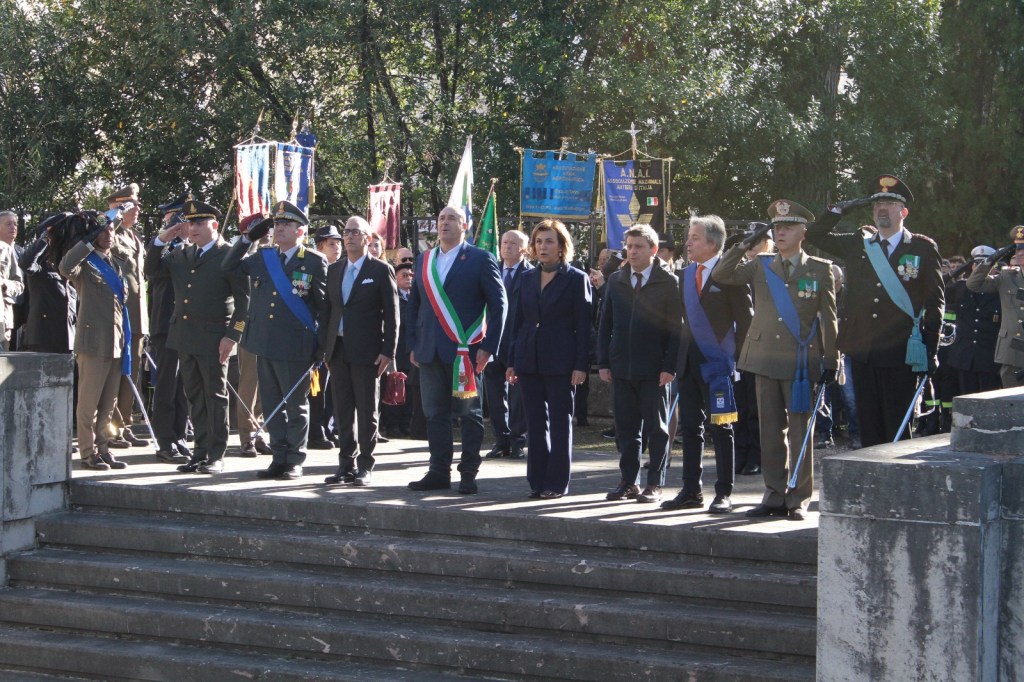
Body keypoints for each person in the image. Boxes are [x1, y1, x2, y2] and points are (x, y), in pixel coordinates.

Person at [714, 200, 839, 520]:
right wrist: (743, 244)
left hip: (800, 362)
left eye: (788, 227)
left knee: (800, 432)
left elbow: (829, 318)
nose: (781, 232)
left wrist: (830, 360)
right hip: (764, 357)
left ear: (803, 233)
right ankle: (772, 493)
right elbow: (722, 274)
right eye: (777, 228)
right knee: (769, 432)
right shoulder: (760, 264)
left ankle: (799, 496)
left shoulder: (820, 269)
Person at [805, 175, 944, 446]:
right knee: (868, 426)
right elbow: (816, 235)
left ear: (903, 212)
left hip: (901, 350)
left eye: (890, 203)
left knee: (898, 427)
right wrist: (837, 210)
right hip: (863, 348)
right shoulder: (859, 243)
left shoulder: (921, 248)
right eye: (877, 203)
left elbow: (935, 302)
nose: (882, 208)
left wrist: (931, 349)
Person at [222, 200, 328, 480]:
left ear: (300, 231)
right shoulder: (264, 257)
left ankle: (295, 459)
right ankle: (279, 457)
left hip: (296, 345)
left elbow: (324, 308)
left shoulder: (314, 262)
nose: (279, 228)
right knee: (271, 405)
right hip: (263, 343)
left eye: (286, 224)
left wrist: (322, 348)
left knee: (295, 406)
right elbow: (229, 265)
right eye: (277, 224)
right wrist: (246, 239)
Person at [406, 205, 506, 495]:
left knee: (469, 413)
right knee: (434, 414)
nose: (445, 223)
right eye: (441, 219)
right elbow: (415, 306)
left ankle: (468, 473)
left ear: (465, 226)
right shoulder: (424, 259)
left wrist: (489, 347)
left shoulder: (480, 258)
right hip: (429, 351)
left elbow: (500, 306)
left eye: (452, 218)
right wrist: (414, 342)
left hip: (466, 352)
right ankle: (438, 471)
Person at [147, 200, 249, 474]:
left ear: (214, 225)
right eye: (190, 223)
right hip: (185, 335)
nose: (193, 228)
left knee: (215, 396)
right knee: (194, 395)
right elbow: (152, 270)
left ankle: (216, 453)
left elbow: (244, 301)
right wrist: (161, 239)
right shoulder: (181, 254)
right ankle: (200, 451)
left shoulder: (228, 254)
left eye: (200, 223)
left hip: (216, 337)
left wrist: (233, 336)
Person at [661, 215, 752, 514]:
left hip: (718, 364)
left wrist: (735, 360)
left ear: (713, 243)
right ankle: (690, 490)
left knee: (722, 428)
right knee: (690, 427)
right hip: (689, 362)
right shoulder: (686, 275)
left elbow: (745, 320)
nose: (688, 242)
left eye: (695, 237)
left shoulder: (731, 274)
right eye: (689, 236)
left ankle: (724, 491)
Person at [597, 223, 683, 504]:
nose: (632, 252)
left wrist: (669, 367)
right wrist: (604, 362)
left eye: (638, 247)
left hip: (654, 369)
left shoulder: (667, 282)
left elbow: (676, 330)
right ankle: (628, 481)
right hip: (622, 367)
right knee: (626, 429)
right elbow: (605, 323)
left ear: (653, 250)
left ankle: (655, 483)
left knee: (657, 429)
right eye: (629, 247)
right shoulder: (616, 280)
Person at [505, 220, 591, 498]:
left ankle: (556, 482)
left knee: (559, 422)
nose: (543, 247)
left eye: (549, 241)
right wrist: (511, 361)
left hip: (561, 363)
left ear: (562, 246)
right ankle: (537, 480)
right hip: (528, 359)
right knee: (535, 423)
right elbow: (517, 321)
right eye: (539, 241)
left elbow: (584, 326)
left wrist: (581, 365)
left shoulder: (577, 279)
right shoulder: (526, 277)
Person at [318, 217, 398, 486]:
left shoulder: (380, 269)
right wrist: (325, 351)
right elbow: (327, 312)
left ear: (367, 238)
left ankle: (365, 464)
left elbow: (392, 314)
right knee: (342, 409)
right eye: (346, 232)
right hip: (338, 350)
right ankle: (345, 464)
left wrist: (388, 352)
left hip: (368, 352)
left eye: (355, 232)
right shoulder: (335, 269)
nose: (349, 236)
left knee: (366, 410)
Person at [59, 212, 131, 470]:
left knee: (108, 403)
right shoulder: (85, 265)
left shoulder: (117, 264)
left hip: (116, 341)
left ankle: (104, 448)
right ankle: (88, 454)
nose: (108, 235)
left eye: (111, 230)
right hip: (92, 343)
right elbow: (65, 266)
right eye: (102, 231)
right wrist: (87, 242)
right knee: (88, 404)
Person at [142, 194, 192, 464]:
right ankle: (165, 441)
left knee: (184, 386)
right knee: (166, 385)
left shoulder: (194, 247)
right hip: (166, 326)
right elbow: (151, 269)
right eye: (173, 219)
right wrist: (162, 239)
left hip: (189, 326)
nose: (179, 225)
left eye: (182, 220)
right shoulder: (163, 249)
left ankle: (180, 436)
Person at [104, 185, 151, 448]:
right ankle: (110, 427)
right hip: (118, 315)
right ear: (119, 208)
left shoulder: (135, 237)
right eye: (132, 206)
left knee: (131, 374)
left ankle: (125, 425)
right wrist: (111, 216)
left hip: (137, 315)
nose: (138, 210)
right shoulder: (109, 234)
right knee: (115, 374)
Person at [484, 229, 531, 460]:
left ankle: (517, 440)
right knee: (494, 395)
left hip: (518, 342)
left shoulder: (531, 274)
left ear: (524, 249)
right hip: (493, 342)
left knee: (518, 396)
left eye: (513, 243)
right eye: (504, 242)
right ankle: (500, 440)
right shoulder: (491, 271)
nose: (507, 247)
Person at [965, 226, 1024, 388]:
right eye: (1017, 249)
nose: (1019, 253)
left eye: (1023, 249)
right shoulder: (1007, 276)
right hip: (1011, 352)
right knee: (1012, 403)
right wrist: (991, 261)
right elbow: (973, 285)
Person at [945, 246, 1001, 395]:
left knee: (989, 402)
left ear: (994, 269)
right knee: (965, 401)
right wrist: (958, 270)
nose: (979, 269)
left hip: (989, 357)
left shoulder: (1000, 290)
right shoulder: (961, 287)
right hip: (964, 356)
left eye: (985, 266)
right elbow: (939, 285)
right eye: (976, 265)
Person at [307, 224, 344, 449]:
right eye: (332, 243)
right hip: (317, 335)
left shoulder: (341, 269)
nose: (337, 247)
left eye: (339, 242)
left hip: (336, 337)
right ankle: (315, 431)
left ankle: (328, 427)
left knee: (333, 388)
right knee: (316, 387)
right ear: (320, 246)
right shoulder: (313, 269)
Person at [19, 214, 77, 354]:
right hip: (44, 337)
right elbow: (26, 263)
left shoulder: (70, 264)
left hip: (70, 336)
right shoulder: (41, 264)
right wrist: (47, 236)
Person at [381, 261, 417, 437]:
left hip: (411, 351)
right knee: (393, 388)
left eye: (411, 275)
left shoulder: (415, 297)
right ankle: (391, 425)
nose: (409, 278)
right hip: (396, 349)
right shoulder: (392, 296)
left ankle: (405, 423)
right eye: (404, 275)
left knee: (409, 391)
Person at [0, 218, 24, 352]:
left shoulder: (6, 250)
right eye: (8, 224)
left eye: (15, 224)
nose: (13, 227)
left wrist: (4, 285)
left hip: (2, 323)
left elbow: (19, 285)